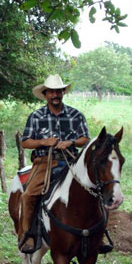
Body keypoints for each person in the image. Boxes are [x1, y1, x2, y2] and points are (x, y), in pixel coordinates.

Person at [18, 74, 112, 254]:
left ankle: (99, 235)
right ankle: (28, 234)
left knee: (98, 190)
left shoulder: (76, 115)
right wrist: (43, 142)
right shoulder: (36, 116)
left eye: (58, 91)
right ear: (45, 94)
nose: (55, 95)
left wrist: (70, 143)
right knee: (29, 195)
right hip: (45, 162)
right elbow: (25, 142)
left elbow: (85, 138)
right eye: (51, 92)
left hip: (72, 161)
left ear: (63, 93)